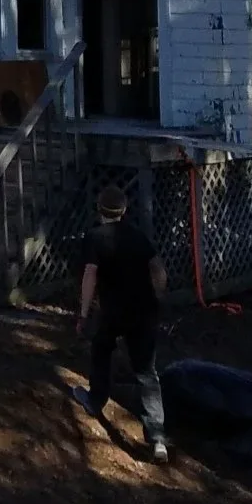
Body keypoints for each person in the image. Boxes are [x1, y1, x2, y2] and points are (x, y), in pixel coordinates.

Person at [71, 184, 169, 462]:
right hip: (144, 311)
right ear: (124, 210)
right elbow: (158, 269)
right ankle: (157, 437)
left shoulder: (94, 237)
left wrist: (83, 313)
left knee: (101, 348)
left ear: (99, 210)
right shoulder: (137, 235)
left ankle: (96, 399)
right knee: (147, 372)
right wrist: (158, 296)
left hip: (114, 311)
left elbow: (90, 273)